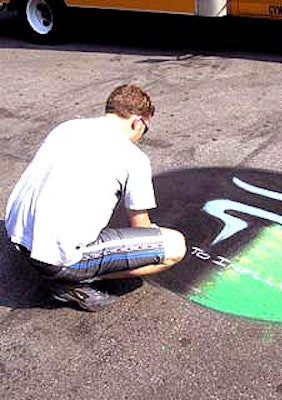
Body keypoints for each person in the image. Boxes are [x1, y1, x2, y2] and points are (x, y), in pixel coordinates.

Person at [5, 83, 187, 312]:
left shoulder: (67, 127)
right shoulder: (133, 158)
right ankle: (70, 281)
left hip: (17, 235)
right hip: (57, 257)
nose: (142, 136)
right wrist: (154, 233)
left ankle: (61, 268)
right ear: (137, 121)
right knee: (174, 246)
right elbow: (141, 227)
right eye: (145, 129)